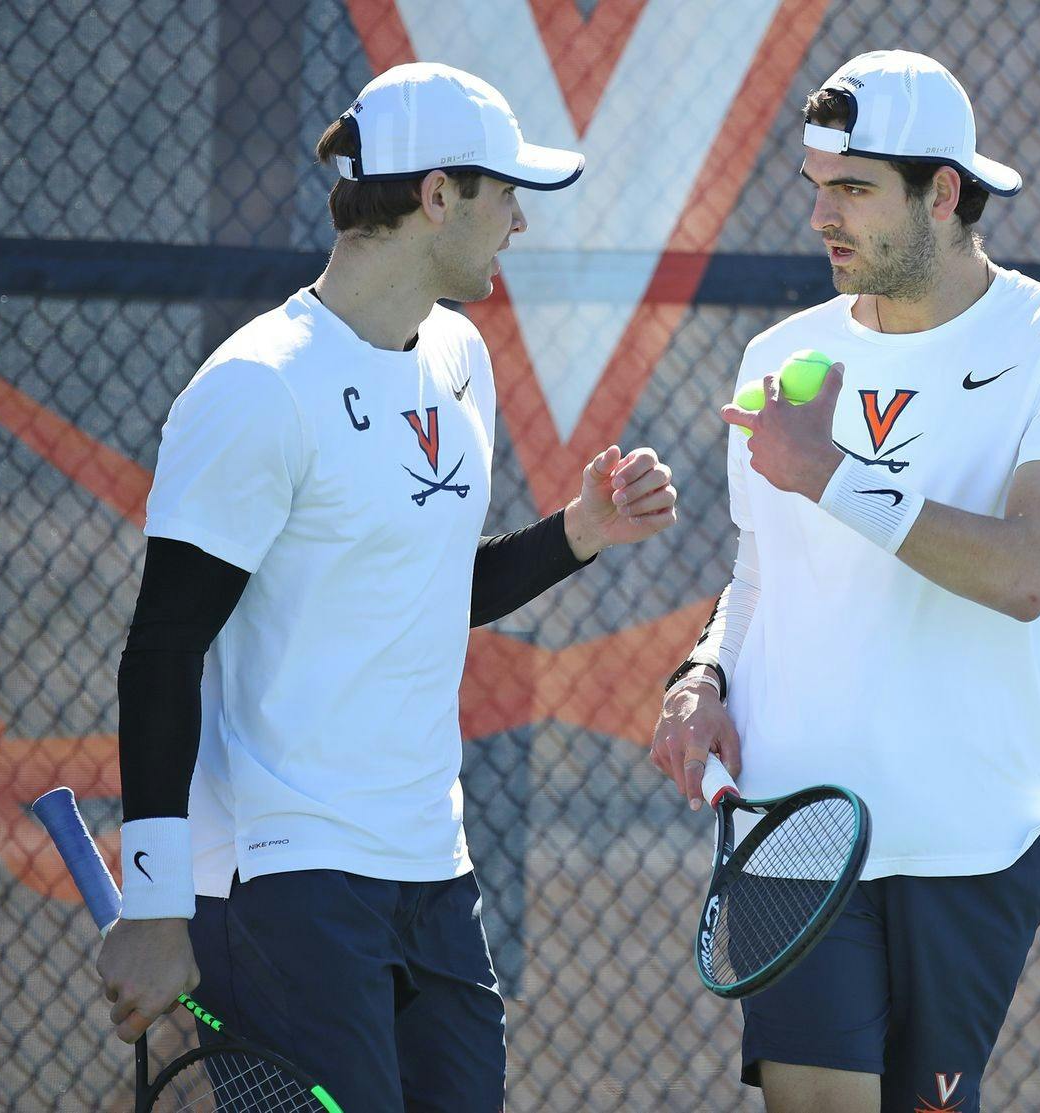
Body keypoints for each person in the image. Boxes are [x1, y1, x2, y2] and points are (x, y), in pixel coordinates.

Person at [96, 62, 677, 1112]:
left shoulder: (459, 355)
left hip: (431, 868)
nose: (520, 223)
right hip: (281, 878)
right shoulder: (256, 389)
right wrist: (153, 901)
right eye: (506, 194)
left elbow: (425, 585)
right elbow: (162, 653)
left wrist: (579, 533)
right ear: (438, 195)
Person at [651, 50, 1040, 1113]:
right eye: (818, 186)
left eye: (856, 189)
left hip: (970, 839)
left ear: (943, 193)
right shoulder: (782, 355)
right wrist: (704, 674)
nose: (823, 216)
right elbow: (761, 570)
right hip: (792, 825)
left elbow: (1027, 570)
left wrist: (830, 473)